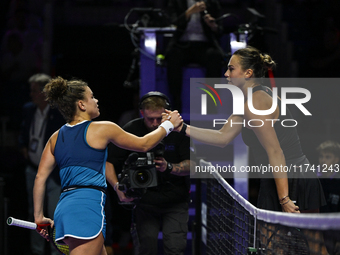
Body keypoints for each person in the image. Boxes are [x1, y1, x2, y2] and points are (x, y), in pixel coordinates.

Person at [164, 46, 326, 214]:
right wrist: (182, 128)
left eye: (231, 69)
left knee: (307, 239)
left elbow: (275, 151)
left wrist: (284, 198)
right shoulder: (255, 98)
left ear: (248, 73)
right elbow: (222, 137)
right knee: (281, 240)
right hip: (282, 175)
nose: (226, 74)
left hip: (290, 177)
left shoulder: (255, 103)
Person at [33, 77, 182, 255]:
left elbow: (40, 178)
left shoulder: (55, 137)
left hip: (64, 210)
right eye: (92, 97)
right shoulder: (103, 128)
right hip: (86, 209)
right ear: (81, 104)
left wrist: (39, 217)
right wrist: (168, 125)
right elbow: (144, 144)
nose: (96, 101)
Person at [106, 91, 195, 255]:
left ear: (167, 113)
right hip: (143, 200)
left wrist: (169, 167)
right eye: (150, 119)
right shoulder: (131, 128)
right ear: (142, 113)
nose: (154, 123)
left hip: (175, 199)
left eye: (158, 118)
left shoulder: (180, 130)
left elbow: (193, 165)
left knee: (175, 249)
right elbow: (109, 161)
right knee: (145, 249)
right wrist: (117, 187)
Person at [18, 73, 65, 255]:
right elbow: (24, 133)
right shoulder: (28, 109)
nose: (31, 94)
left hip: (53, 173)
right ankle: (36, 251)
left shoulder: (58, 113)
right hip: (32, 169)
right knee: (34, 214)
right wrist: (24, 149)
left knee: (53, 214)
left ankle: (56, 251)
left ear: (45, 93)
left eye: (34, 91)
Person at [165, 0, 224, 111]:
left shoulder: (212, 3)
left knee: (215, 57)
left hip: (204, 45)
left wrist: (213, 25)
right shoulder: (177, 2)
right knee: (173, 57)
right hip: (182, 44)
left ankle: (211, 102)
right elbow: (174, 23)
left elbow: (220, 31)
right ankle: (176, 102)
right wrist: (189, 12)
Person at [316, 140, 340, 213]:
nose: (323, 160)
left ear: (336, 160)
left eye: (328, 157)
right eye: (321, 156)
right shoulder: (311, 180)